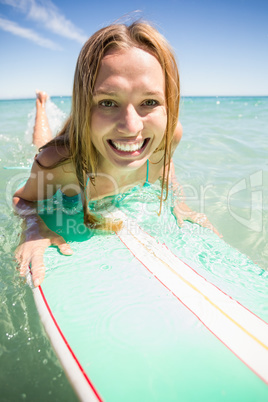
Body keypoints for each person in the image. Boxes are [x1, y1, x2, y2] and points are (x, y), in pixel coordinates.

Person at [13, 21, 219, 288]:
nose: (132, 127)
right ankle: (42, 104)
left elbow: (165, 161)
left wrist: (178, 200)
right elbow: (23, 199)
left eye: (150, 102)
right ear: (85, 104)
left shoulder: (168, 136)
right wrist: (34, 229)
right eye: (108, 102)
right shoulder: (59, 164)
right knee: (41, 145)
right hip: (68, 151)